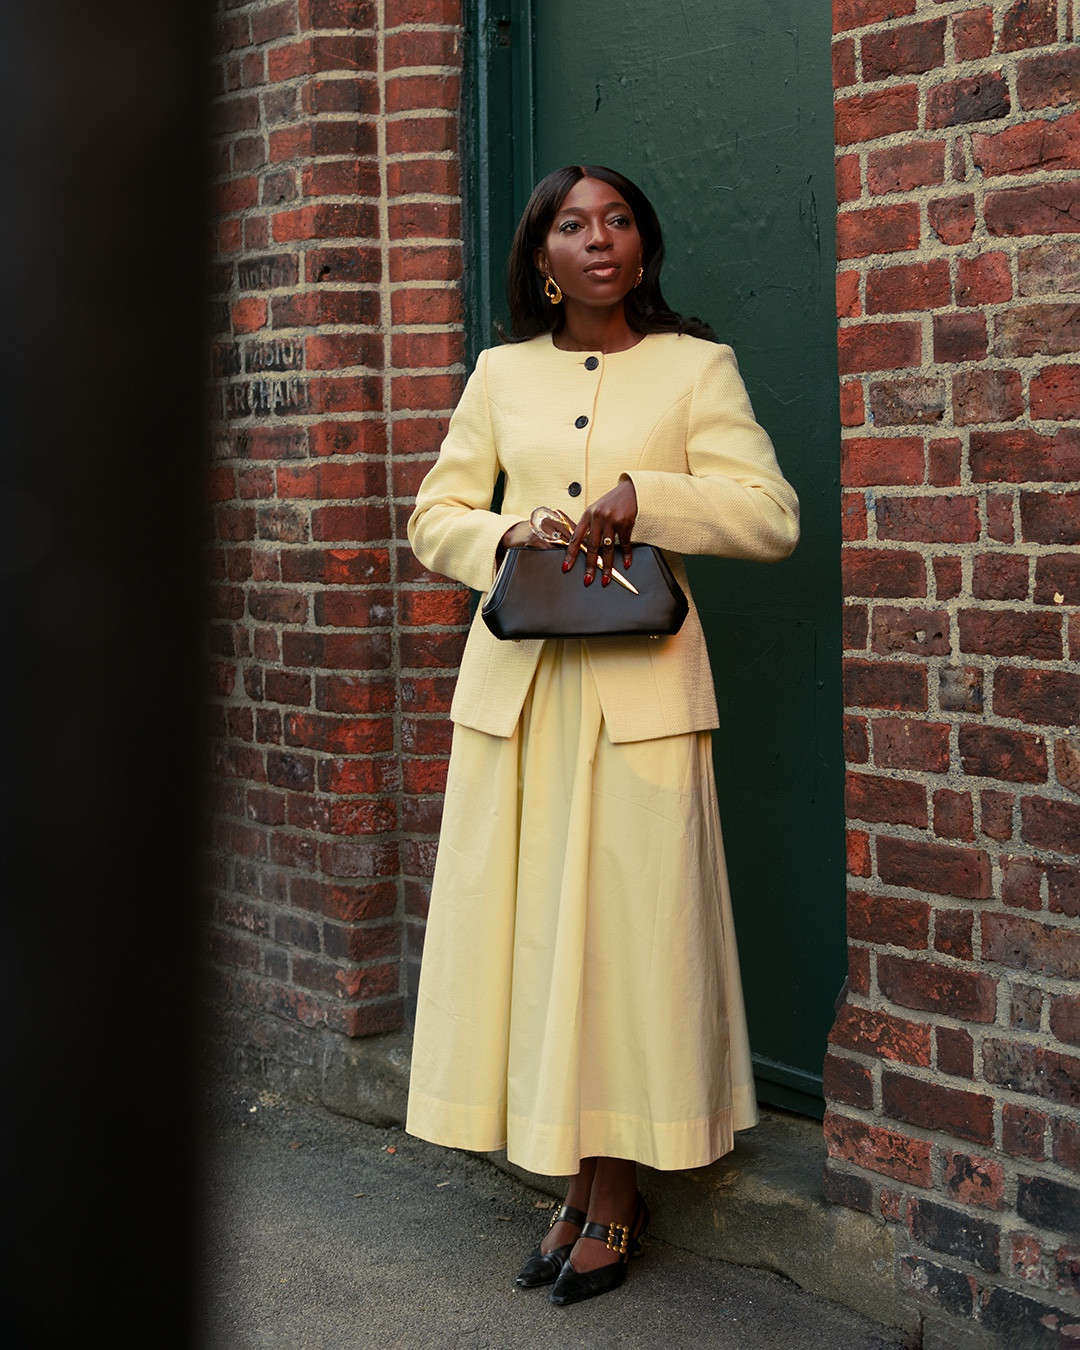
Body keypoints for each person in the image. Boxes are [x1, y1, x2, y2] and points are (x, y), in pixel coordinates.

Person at [405, 164, 799, 1306]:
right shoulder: (500, 374)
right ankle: (573, 1181)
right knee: (539, 944)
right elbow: (433, 515)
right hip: (522, 697)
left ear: (644, 246)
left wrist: (648, 494)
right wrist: (515, 530)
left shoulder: (694, 368)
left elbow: (771, 513)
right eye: (574, 225)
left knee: (630, 943)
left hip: (642, 698)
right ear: (542, 255)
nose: (599, 241)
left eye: (619, 221)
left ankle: (614, 1192)